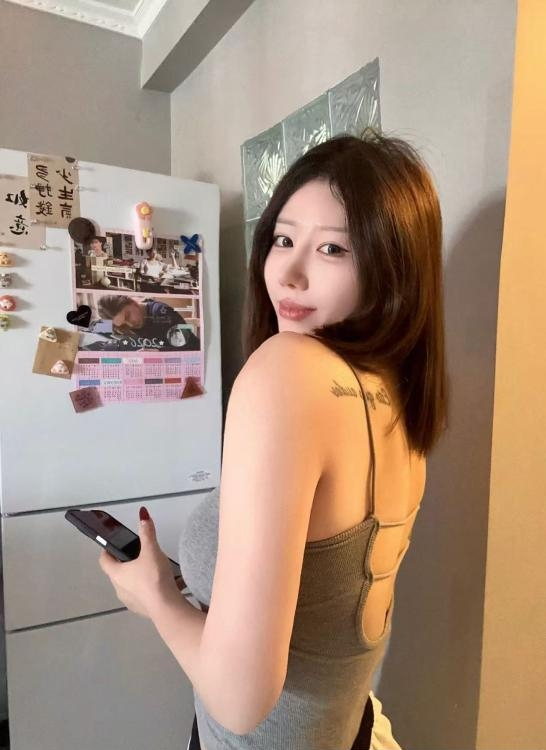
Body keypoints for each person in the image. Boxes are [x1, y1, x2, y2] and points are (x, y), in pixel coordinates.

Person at [98, 129, 448, 750]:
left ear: (392, 269)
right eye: (283, 239)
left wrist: (157, 596)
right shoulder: (397, 392)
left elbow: (239, 700)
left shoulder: (287, 372)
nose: (287, 273)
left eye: (332, 248)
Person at [96, 295, 200, 351]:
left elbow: (189, 345)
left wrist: (158, 353)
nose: (130, 325)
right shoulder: (127, 325)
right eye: (123, 324)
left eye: (127, 316)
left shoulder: (161, 313)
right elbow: (96, 326)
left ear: (132, 302)